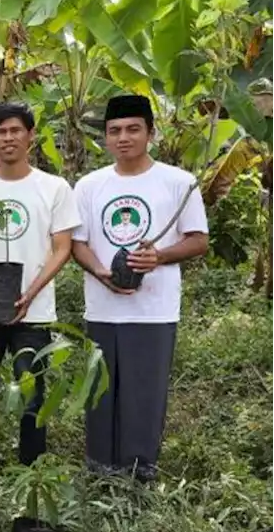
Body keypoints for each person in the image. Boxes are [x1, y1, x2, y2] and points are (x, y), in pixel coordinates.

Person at [71, 94, 208, 481]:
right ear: (105, 138)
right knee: (100, 392)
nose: (123, 138)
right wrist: (99, 271)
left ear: (151, 132)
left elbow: (198, 239)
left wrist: (159, 257)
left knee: (144, 393)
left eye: (133, 129)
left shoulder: (179, 183)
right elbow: (77, 242)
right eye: (114, 131)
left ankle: (139, 471)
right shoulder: (88, 185)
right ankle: (100, 468)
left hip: (154, 309)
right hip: (101, 307)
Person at [0, 103, 79, 466]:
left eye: (15, 131)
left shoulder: (54, 188)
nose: (8, 138)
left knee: (33, 391)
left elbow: (63, 247)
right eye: (0, 132)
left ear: (30, 136)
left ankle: (31, 465)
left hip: (35, 313)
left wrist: (31, 292)